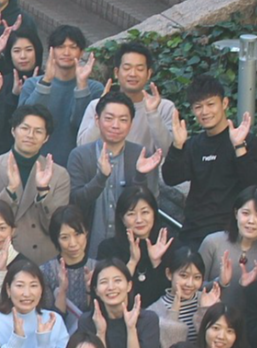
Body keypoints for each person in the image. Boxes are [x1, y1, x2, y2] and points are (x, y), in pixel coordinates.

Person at [162, 74, 257, 247]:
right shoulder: (194, 145)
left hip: (231, 232)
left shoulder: (246, 141)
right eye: (198, 107)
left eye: (210, 104)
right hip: (194, 231)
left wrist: (239, 147)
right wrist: (177, 146)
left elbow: (254, 185)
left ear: (224, 103)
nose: (205, 112)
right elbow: (171, 178)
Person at [0, 105, 71, 264]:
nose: (30, 135)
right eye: (25, 128)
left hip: (43, 260)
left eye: (38, 131)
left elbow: (59, 228)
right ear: (13, 130)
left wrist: (43, 192)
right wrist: (10, 191)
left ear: (46, 138)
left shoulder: (59, 174)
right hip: (0, 257)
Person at [68, 92, 164, 256]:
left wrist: (140, 175)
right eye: (109, 118)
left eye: (123, 120)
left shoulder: (141, 155)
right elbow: (75, 202)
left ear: (131, 124)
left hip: (131, 249)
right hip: (88, 247)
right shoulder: (80, 155)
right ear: (97, 120)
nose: (115, 125)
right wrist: (100, 178)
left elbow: (149, 204)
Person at [76, 43, 175, 178]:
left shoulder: (164, 107)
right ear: (117, 73)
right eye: (127, 68)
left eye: (140, 69)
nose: (133, 74)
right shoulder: (96, 105)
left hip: (143, 185)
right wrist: (102, 110)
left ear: (148, 74)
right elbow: (83, 147)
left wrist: (153, 114)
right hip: (101, 183)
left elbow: (169, 152)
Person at [17, 26, 105, 164]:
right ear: (51, 51)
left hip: (77, 164)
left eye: (73, 47)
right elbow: (25, 121)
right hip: (35, 162)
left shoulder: (95, 89)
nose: (66, 52)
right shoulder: (32, 85)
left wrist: (82, 86)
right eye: (61, 47)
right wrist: (46, 81)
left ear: (81, 52)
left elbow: (81, 126)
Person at [97, 185, 173, 309]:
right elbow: (110, 294)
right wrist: (132, 262)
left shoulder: (168, 244)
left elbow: (169, 294)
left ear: (154, 214)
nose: (139, 220)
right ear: (122, 218)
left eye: (145, 212)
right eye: (131, 214)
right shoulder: (108, 249)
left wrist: (156, 263)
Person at [197, 184, 257, 302]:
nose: (251, 221)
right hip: (207, 311)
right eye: (246, 213)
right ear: (236, 213)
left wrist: (249, 288)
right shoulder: (213, 243)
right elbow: (193, 287)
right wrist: (220, 282)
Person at [146, 247, 219, 348]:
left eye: (197, 277)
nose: (190, 283)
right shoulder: (154, 311)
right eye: (183, 276)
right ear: (169, 274)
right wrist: (174, 314)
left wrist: (205, 311)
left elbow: (216, 345)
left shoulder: (209, 301)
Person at [41, 205, 94, 333]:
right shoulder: (45, 272)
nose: (73, 243)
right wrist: (62, 290)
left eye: (78, 234)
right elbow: (49, 319)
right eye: (65, 237)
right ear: (56, 239)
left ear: (86, 233)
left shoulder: (98, 268)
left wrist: (90, 291)